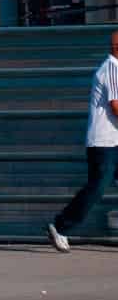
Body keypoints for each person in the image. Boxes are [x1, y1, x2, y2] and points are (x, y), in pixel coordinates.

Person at [47, 30, 118, 252]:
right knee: (96, 189)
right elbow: (116, 107)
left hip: (114, 142)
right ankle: (60, 226)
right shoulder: (112, 69)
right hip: (104, 143)